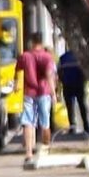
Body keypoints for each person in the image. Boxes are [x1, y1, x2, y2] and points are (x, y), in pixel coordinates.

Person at [18, 32, 58, 163]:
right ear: (42, 41)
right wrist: (53, 93)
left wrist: (16, 87)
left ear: (32, 41)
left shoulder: (25, 56)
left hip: (28, 92)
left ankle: (29, 153)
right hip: (43, 92)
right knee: (45, 122)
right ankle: (45, 148)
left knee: (28, 122)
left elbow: (17, 72)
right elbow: (49, 76)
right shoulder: (47, 57)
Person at [59, 48, 89, 136]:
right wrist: (84, 81)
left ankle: (72, 127)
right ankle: (87, 126)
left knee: (70, 107)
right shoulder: (80, 57)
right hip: (79, 84)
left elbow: (59, 72)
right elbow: (85, 71)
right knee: (82, 105)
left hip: (67, 84)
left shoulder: (63, 57)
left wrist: (63, 81)